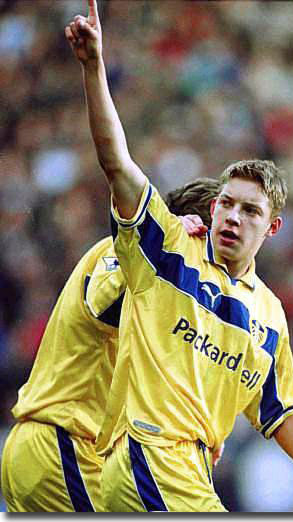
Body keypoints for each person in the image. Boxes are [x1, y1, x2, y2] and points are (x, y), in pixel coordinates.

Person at [65, 0, 293, 512]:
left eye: (250, 212)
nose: (233, 218)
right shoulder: (168, 250)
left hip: (189, 469)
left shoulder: (269, 313)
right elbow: (116, 163)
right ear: (213, 209)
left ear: (272, 227)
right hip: (150, 454)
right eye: (226, 205)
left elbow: (278, 407)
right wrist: (94, 67)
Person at [0, 178, 221, 512]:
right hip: (65, 447)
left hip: (64, 453)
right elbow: (102, 304)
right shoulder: (125, 254)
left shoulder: (174, 297)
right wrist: (161, 249)